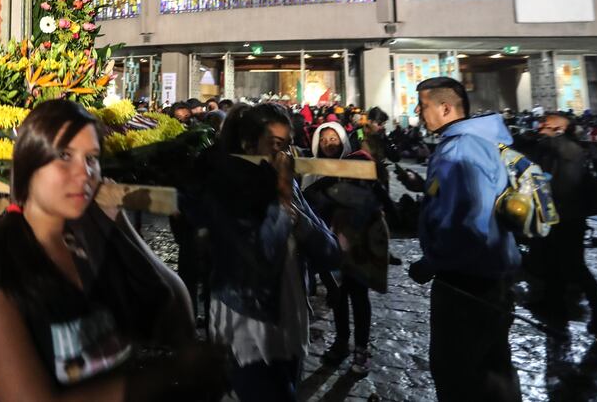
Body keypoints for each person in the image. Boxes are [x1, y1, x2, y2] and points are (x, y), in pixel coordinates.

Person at [0, 99, 224, 401]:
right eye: (64, 156)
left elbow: (173, 307)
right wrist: (168, 377)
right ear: (29, 163)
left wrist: (118, 225)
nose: (83, 175)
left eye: (92, 159)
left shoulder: (91, 239)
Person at [187, 104, 341, 401]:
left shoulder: (286, 185)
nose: (284, 155)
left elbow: (331, 252)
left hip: (291, 321)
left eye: (287, 145)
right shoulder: (225, 190)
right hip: (248, 330)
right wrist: (283, 200)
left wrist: (294, 210)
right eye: (275, 145)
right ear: (248, 145)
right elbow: (262, 255)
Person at [407, 77, 521, 402]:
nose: (418, 111)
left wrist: (430, 262)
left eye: (423, 105)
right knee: (494, 373)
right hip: (493, 279)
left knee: (459, 376)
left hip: (466, 286)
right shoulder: (481, 141)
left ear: (445, 108)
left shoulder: (459, 150)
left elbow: (471, 227)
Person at [305, 121, 389, 375]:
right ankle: (342, 341)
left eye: (334, 138)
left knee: (359, 296)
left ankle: (361, 348)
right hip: (329, 246)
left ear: (343, 140)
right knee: (337, 296)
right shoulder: (312, 171)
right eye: (324, 139)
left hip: (357, 246)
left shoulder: (357, 166)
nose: (329, 143)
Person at [530, 112, 597, 336]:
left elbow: (559, 187)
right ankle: (554, 305)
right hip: (566, 216)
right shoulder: (565, 148)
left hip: (562, 217)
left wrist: (547, 210)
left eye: (546, 125)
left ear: (559, 129)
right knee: (556, 263)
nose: (540, 127)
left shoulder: (559, 150)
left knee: (573, 265)